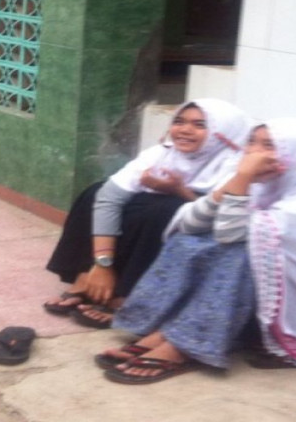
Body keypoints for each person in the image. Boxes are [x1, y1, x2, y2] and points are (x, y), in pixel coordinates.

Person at [97, 118, 296, 384]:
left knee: (237, 255)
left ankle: (185, 344)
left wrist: (241, 178)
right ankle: (169, 332)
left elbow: (230, 234)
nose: (253, 153)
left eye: (269, 146)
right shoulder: (264, 185)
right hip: (286, 292)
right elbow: (189, 223)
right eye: (252, 142)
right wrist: (231, 184)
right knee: (190, 241)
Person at [44, 98, 250, 329]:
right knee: (95, 193)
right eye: (179, 121)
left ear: (223, 133)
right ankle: (87, 278)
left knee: (162, 211)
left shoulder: (235, 167)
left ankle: (126, 296)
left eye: (199, 125)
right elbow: (109, 197)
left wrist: (179, 190)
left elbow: (221, 215)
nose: (184, 130)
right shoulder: (162, 153)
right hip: (172, 212)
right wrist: (103, 264)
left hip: (207, 227)